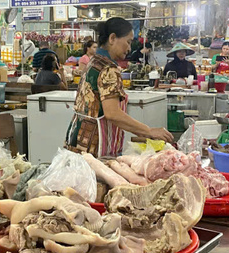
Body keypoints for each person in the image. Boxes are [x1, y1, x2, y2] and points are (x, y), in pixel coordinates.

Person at [66, 17, 173, 157]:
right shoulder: (108, 68)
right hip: (95, 146)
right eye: (128, 42)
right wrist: (148, 131)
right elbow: (112, 113)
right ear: (112, 38)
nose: (129, 48)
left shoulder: (94, 61)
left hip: (77, 139)